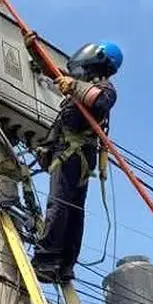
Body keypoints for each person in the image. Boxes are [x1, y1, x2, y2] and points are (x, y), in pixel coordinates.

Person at [23, 33, 123, 284]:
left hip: (73, 153)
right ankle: (64, 265)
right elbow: (54, 72)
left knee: (61, 205)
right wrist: (34, 49)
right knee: (71, 209)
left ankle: (48, 260)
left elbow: (100, 101)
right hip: (75, 156)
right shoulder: (79, 84)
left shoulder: (104, 88)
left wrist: (74, 86)